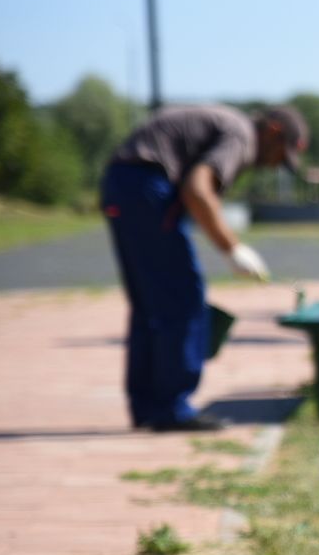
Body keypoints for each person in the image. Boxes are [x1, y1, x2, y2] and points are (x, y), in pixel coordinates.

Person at [100, 104, 308, 431]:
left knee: (149, 305)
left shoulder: (228, 124)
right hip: (148, 187)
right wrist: (232, 249)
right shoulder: (241, 136)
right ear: (273, 132)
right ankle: (172, 408)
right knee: (183, 298)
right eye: (280, 156)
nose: (274, 166)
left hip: (121, 182)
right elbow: (198, 189)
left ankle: (148, 407)